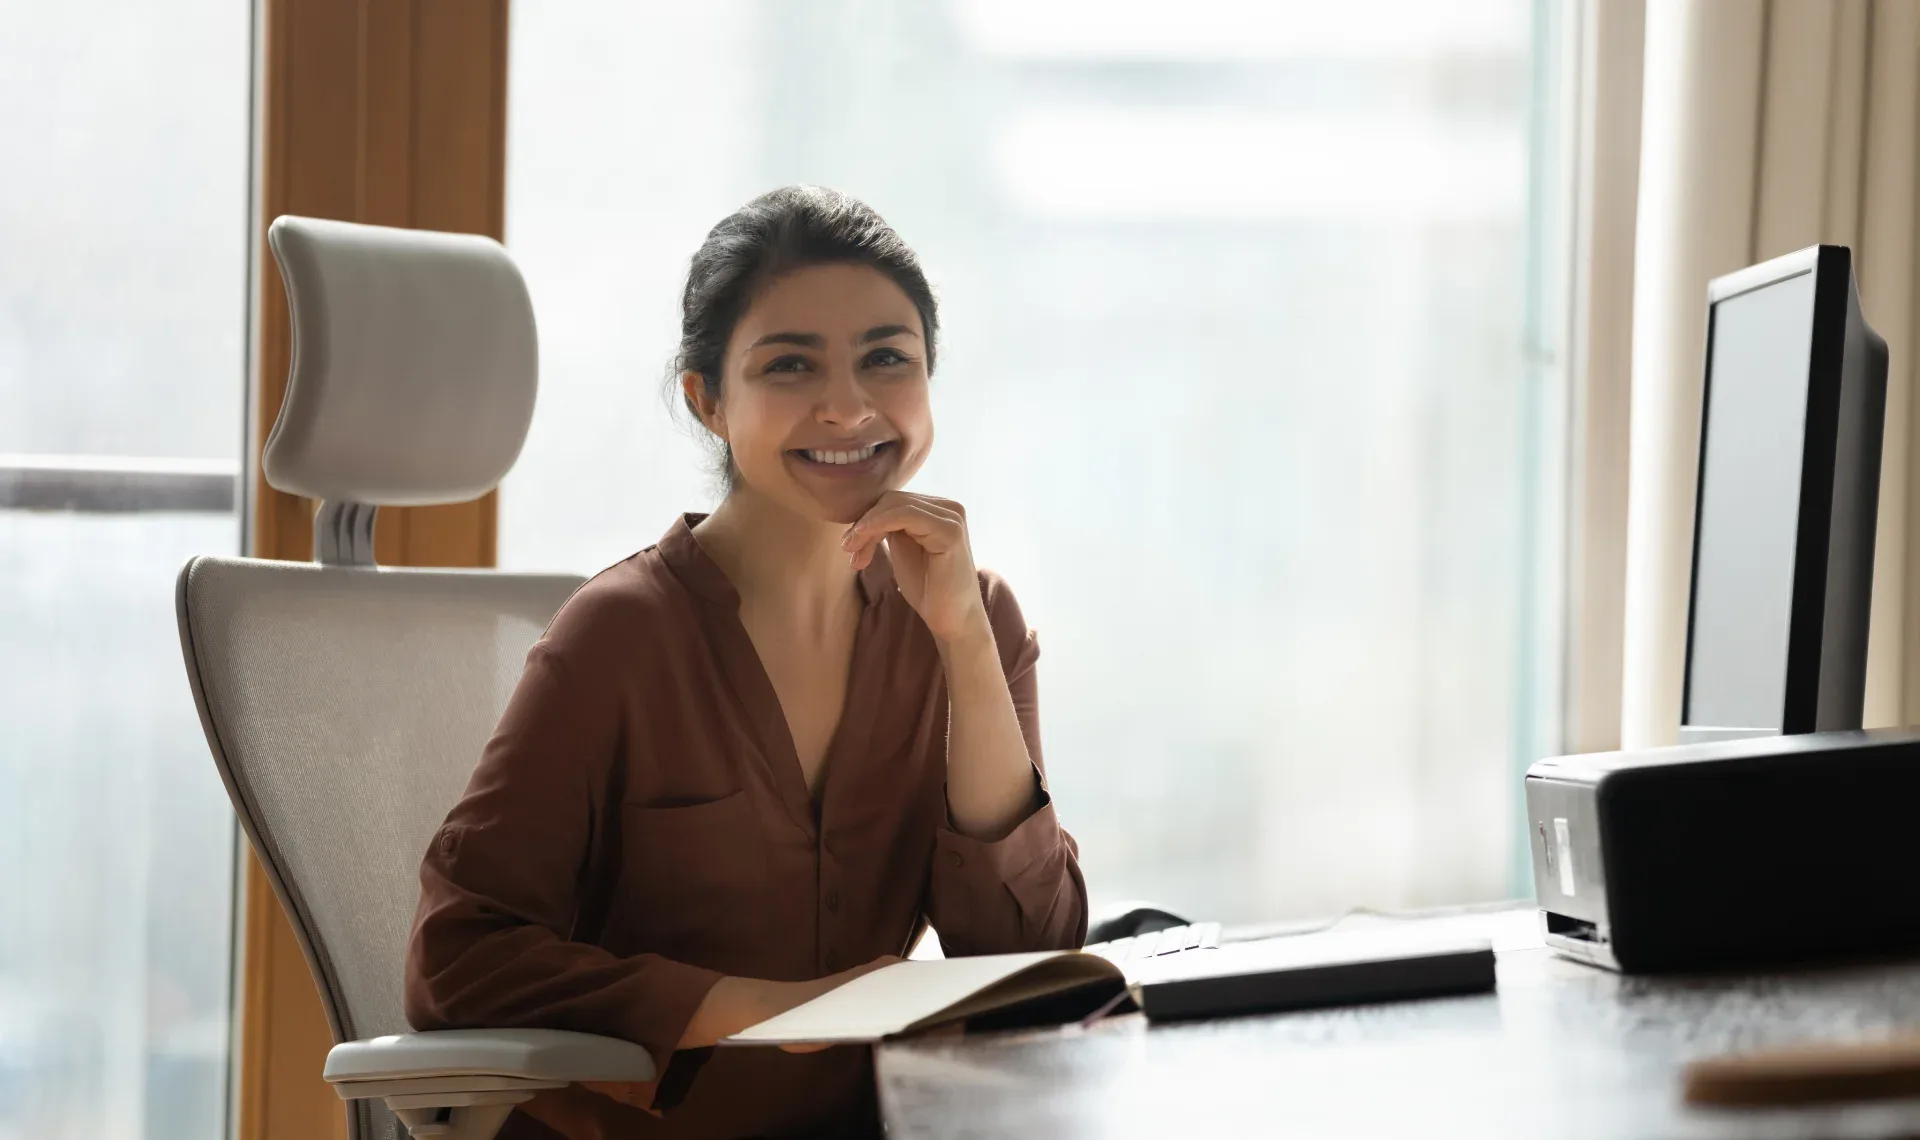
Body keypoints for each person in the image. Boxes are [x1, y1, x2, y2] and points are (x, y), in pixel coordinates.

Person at [404, 185, 1087, 1139]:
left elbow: (1025, 955)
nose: (847, 406)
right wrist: (756, 1009)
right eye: (790, 365)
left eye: (887, 358)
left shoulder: (975, 617)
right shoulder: (616, 637)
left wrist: (967, 645)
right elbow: (456, 960)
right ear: (708, 401)